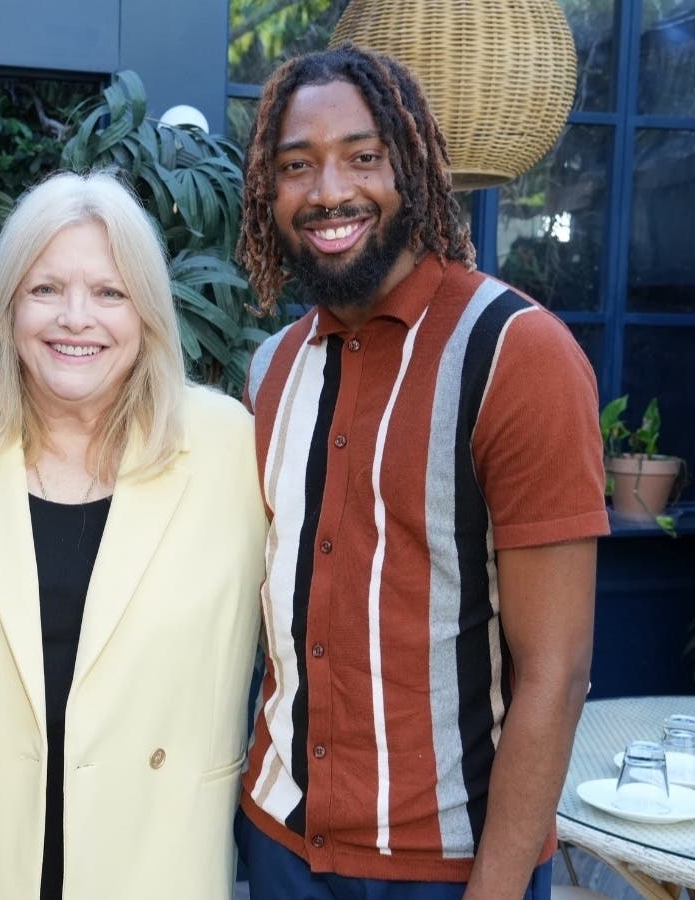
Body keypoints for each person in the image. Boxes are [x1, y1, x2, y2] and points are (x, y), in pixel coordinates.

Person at [233, 45, 610, 899]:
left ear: (412, 168)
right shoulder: (271, 369)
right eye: (297, 166)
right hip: (278, 844)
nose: (329, 191)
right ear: (268, 190)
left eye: (363, 156)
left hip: (448, 867)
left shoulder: (517, 354)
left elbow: (556, 672)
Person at [0, 170, 267, 899]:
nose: (75, 318)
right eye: (46, 289)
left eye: (110, 292)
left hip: (158, 862)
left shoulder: (232, 451)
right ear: (9, 305)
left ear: (148, 311)